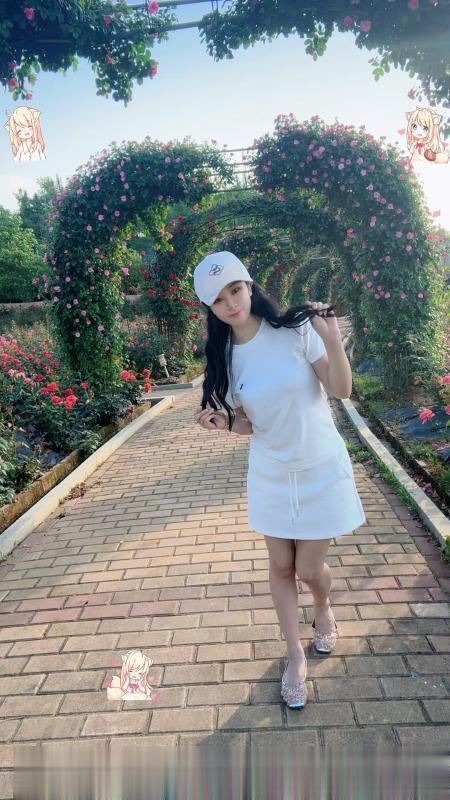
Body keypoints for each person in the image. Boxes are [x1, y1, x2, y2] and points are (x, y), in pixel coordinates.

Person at [193, 251, 366, 709]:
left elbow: (341, 389)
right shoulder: (225, 359)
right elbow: (250, 424)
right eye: (218, 299)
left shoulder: (295, 331)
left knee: (308, 569)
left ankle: (323, 606)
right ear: (210, 308)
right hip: (270, 472)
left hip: (319, 465)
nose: (231, 303)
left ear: (249, 286)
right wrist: (225, 425)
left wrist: (333, 341)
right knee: (280, 566)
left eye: (235, 290)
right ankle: (294, 657)